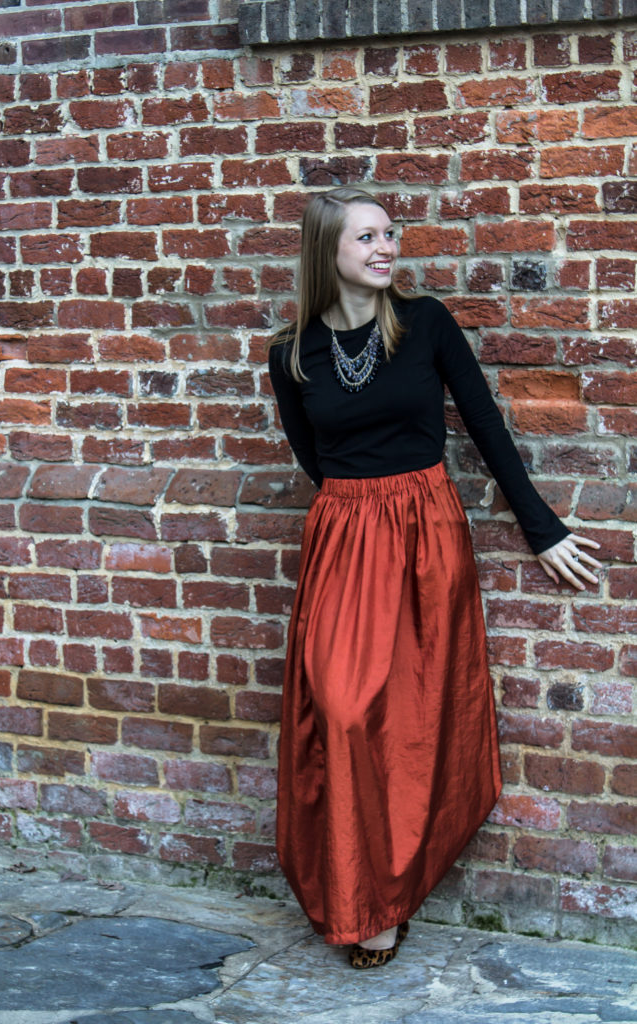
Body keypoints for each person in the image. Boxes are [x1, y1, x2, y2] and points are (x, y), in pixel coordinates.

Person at [267, 186, 602, 969]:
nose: (385, 248)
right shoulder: (291, 353)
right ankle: (357, 893)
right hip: (345, 537)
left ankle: (387, 898)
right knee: (342, 711)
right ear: (328, 253)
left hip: (424, 533)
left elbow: (484, 425)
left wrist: (540, 526)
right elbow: (310, 458)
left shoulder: (426, 325)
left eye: (389, 234)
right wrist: (358, 512)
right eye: (366, 237)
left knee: (412, 718)